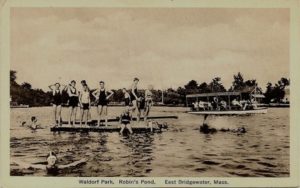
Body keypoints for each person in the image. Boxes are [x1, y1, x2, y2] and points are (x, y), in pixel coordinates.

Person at [11, 151, 88, 175]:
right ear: (47, 160)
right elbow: (28, 165)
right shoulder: (43, 167)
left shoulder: (58, 167)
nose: (52, 160)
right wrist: (15, 161)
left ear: (55, 160)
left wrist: (81, 161)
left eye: (53, 159)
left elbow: (70, 165)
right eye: (50, 159)